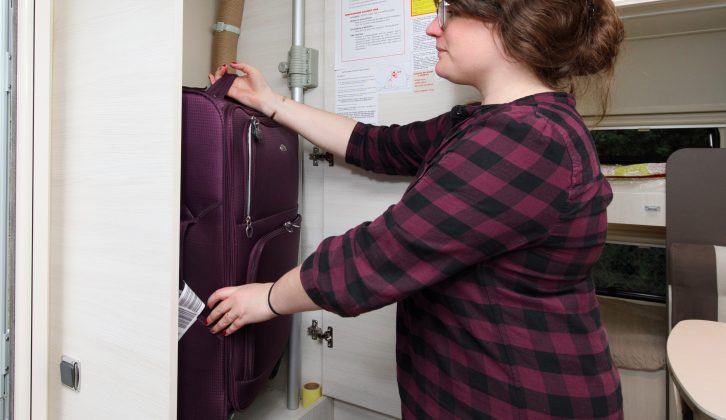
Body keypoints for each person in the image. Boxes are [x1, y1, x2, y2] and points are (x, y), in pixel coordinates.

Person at [205, 0, 625, 418]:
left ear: (510, 26)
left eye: (451, 14)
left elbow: (382, 254)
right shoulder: (489, 123)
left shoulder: (528, 138)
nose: (433, 30)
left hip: (518, 398)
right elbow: (375, 144)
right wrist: (271, 101)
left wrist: (268, 298)